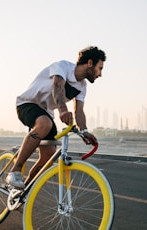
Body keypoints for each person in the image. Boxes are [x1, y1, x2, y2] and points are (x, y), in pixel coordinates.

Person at [6, 46, 106, 188]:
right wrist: (63, 110)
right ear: (90, 63)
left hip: (46, 113)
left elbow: (79, 112)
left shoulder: (82, 86)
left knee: (49, 156)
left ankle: (23, 191)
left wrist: (84, 132)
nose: (100, 74)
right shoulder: (63, 66)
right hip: (27, 104)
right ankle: (14, 172)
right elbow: (57, 87)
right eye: (100, 68)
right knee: (44, 124)